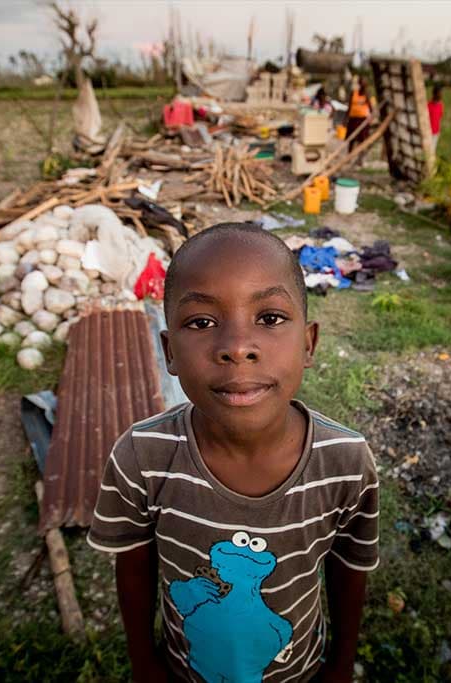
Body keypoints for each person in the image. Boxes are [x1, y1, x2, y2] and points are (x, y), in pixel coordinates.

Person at [88, 223, 380, 683]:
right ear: (169, 352)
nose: (238, 347)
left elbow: (349, 568)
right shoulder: (141, 457)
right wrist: (144, 661)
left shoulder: (345, 462)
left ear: (309, 343)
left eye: (269, 318)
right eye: (202, 323)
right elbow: (134, 566)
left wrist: (340, 664)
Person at [346, 76, 375, 152]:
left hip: (362, 120)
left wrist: (371, 118)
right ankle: (349, 154)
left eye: (364, 84)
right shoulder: (354, 93)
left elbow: (371, 108)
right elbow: (349, 106)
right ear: (359, 84)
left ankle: (360, 157)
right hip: (353, 119)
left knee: (361, 139)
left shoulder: (366, 95)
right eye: (361, 83)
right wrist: (346, 118)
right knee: (351, 138)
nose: (362, 85)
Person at [427, 85, 444, 153]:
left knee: (432, 150)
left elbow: (440, 116)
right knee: (428, 150)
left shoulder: (441, 105)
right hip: (428, 132)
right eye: (440, 93)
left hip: (436, 132)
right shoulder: (428, 105)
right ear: (434, 94)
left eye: (441, 93)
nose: (441, 95)